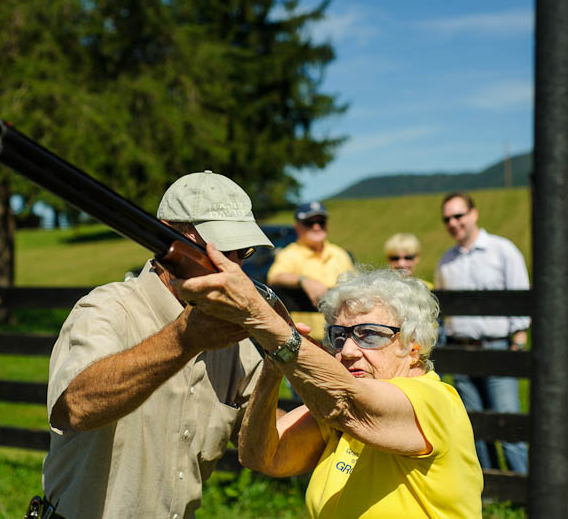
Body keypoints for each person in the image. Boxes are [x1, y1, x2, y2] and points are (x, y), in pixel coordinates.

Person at [40, 170, 273, 519]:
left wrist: (287, 359)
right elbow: (77, 406)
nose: (234, 268)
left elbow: (266, 435)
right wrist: (184, 340)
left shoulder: (231, 336)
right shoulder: (107, 309)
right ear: (165, 238)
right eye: (221, 250)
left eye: (242, 252)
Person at [176, 257, 483, 518]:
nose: (347, 350)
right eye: (339, 335)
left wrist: (270, 325)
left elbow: (347, 402)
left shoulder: (432, 399)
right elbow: (261, 457)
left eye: (369, 334)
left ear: (413, 346)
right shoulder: (339, 411)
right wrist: (273, 367)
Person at [434, 191, 529, 473]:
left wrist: (518, 341)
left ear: (474, 214)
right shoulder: (445, 262)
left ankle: (524, 488)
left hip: (497, 347)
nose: (453, 223)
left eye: (458, 215)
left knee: (507, 423)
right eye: (447, 218)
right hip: (461, 350)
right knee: (474, 426)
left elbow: (521, 297)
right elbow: (444, 308)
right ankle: (489, 489)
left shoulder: (502, 250)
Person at [267, 201, 355, 339]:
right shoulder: (290, 254)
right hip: (305, 337)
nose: (316, 227)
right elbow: (275, 277)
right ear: (297, 227)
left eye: (321, 222)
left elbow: (356, 285)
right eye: (309, 223)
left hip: (339, 337)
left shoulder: (339, 254)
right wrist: (303, 281)